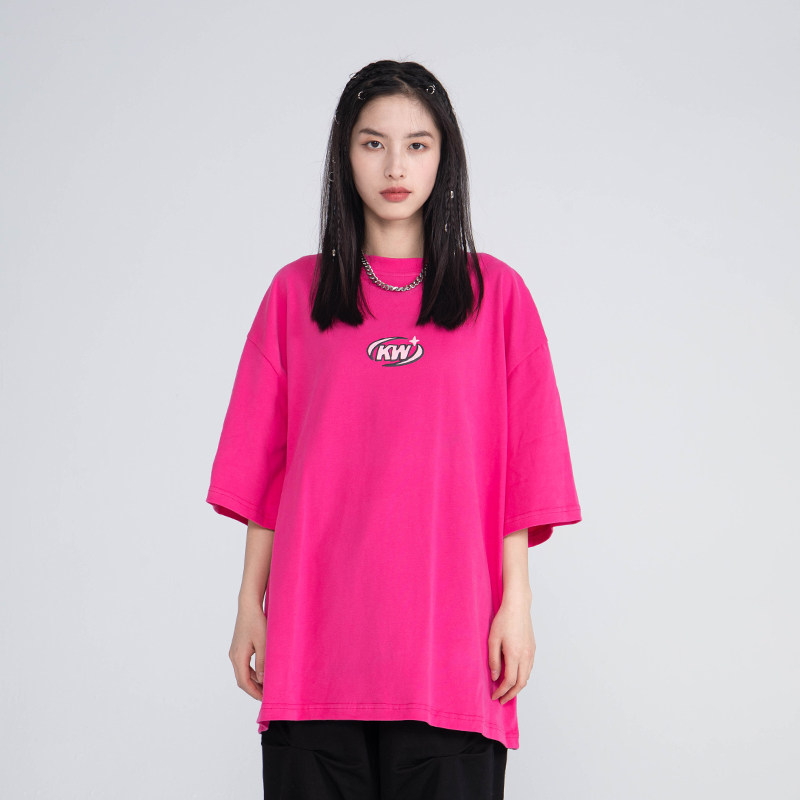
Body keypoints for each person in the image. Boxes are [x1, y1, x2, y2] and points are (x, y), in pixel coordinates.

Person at [205, 59, 582, 800]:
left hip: (450, 654)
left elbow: (520, 472)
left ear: (445, 159)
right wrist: (250, 603)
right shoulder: (295, 295)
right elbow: (266, 474)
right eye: (373, 144)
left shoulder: (496, 296)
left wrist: (517, 605)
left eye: (417, 145)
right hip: (315, 651)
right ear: (345, 156)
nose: (396, 167)